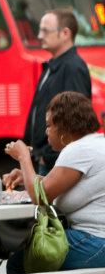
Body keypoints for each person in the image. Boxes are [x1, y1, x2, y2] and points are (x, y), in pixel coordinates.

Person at [4, 91, 105, 274]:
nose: (46, 132)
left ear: (64, 127)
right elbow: (65, 185)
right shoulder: (95, 143)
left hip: (95, 242)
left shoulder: (77, 149)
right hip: (99, 243)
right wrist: (26, 175)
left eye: (50, 126)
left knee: (18, 264)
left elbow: (39, 196)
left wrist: (23, 157)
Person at [23, 9, 91, 175]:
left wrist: (48, 156)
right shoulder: (52, 66)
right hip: (48, 160)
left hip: (56, 163)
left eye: (45, 30)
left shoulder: (73, 67)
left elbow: (76, 119)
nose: (39, 36)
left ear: (65, 33)